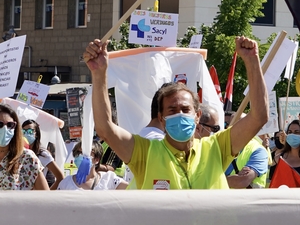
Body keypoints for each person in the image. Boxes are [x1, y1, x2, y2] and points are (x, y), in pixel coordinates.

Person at [83, 35, 268, 190]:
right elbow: (105, 128)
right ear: (161, 119)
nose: (180, 114)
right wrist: (99, 74)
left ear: (197, 116)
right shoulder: (145, 152)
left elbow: (259, 117)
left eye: (185, 109)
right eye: (172, 110)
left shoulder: (216, 148)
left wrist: (252, 61)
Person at [198, 102, 269, 189]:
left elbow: (242, 181)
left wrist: (211, 180)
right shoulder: (216, 146)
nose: (236, 128)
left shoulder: (258, 151)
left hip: (246, 201)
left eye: (241, 125)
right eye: (232, 124)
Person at [58, 141, 128, 190]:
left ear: (97, 159)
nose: (80, 156)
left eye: (86, 154)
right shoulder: (66, 183)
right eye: (78, 153)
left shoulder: (109, 179)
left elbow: (133, 189)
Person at [22, 119, 65, 189]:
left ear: (36, 134)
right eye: (23, 131)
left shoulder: (43, 154)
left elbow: (60, 177)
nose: (26, 134)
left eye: (30, 131)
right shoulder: (20, 153)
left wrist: (48, 194)